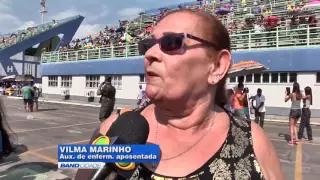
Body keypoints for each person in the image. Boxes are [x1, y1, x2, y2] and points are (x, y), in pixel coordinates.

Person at [75, 9, 284, 180]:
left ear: (217, 66)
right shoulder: (112, 128)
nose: (149, 54)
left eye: (171, 42)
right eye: (147, 45)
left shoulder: (252, 141)